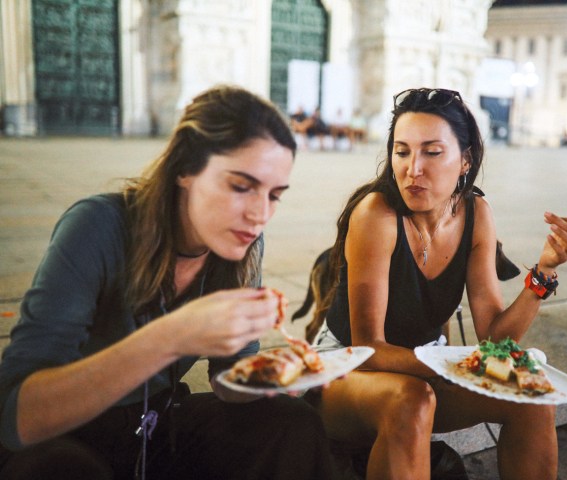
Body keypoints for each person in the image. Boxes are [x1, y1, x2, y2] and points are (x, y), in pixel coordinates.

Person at [0, 85, 337, 480]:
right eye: (241, 187)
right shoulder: (98, 226)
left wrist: (280, 376)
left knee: (290, 423)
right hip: (69, 432)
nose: (260, 214)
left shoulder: (241, 245)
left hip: (156, 424)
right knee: (55, 469)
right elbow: (16, 418)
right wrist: (172, 337)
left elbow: (228, 377)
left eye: (275, 195)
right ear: (185, 169)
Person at [312, 87, 567, 479]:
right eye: (402, 151)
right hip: (346, 368)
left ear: (465, 160)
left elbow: (494, 335)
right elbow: (367, 348)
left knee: (532, 397)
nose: (412, 168)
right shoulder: (376, 214)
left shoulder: (476, 213)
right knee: (411, 399)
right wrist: (457, 365)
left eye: (432, 152)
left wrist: (544, 271)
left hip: (425, 365)